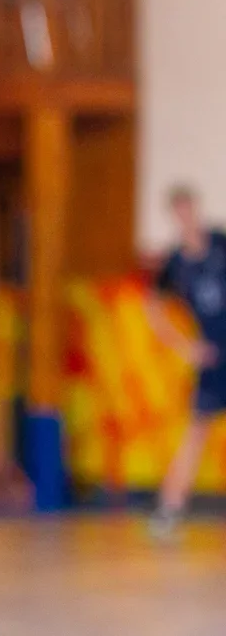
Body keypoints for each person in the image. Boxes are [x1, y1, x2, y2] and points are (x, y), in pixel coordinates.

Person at [147, 185, 226, 539]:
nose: (186, 216)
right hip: (213, 357)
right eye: (179, 211)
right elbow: (153, 308)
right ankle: (169, 510)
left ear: (196, 208)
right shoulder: (174, 263)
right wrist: (185, 347)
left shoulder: (220, 243)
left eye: (189, 208)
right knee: (195, 435)